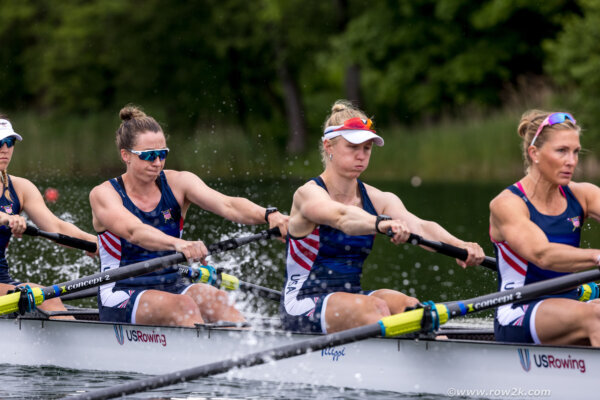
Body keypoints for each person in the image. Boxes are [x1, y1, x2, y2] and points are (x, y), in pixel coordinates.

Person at [280, 100, 485, 334]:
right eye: (353, 147)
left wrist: (461, 246)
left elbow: (419, 226)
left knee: (412, 308)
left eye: (367, 148)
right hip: (302, 304)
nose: (361, 155)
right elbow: (341, 217)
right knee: (376, 308)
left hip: (353, 299)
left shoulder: (379, 198)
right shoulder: (308, 194)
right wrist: (380, 223)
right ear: (329, 147)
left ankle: (431, 346)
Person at [89, 105, 288, 327]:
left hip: (173, 284)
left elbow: (228, 204)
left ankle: (251, 354)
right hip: (121, 292)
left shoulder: (179, 183)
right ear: (125, 155)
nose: (157, 163)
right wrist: (179, 244)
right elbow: (134, 232)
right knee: (185, 306)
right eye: (149, 156)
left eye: (162, 154)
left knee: (218, 299)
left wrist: (269, 214)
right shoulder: (103, 194)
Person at [490, 110, 600, 346]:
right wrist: (597, 256)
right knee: (598, 317)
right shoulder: (507, 204)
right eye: (561, 151)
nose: (571, 161)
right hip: (519, 311)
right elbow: (543, 254)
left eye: (575, 152)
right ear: (535, 153)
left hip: (571, 301)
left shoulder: (584, 195)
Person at [0, 116, 98, 318]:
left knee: (43, 297)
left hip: (3, 282)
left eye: (10, 142)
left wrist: (96, 242)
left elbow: (56, 227)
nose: (5, 149)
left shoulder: (20, 188)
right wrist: (6, 218)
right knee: (45, 296)